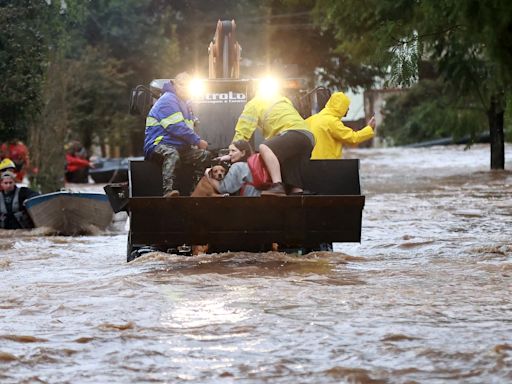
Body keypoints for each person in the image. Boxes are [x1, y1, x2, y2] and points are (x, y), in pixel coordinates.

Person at [232, 93, 315, 196]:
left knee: (264, 147)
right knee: (289, 165)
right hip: (308, 137)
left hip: (293, 132)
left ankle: (277, 186)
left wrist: (233, 150)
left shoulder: (253, 104)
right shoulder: (283, 99)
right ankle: (297, 193)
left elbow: (243, 130)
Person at [144, 72, 210, 197]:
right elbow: (176, 127)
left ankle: (196, 191)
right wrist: (197, 141)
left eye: (188, 86)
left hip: (180, 148)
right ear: (174, 84)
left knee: (204, 155)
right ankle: (168, 190)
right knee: (172, 154)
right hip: (158, 144)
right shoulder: (168, 100)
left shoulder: (185, 104)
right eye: (182, 85)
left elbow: (188, 126)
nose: (185, 88)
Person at [306, 92, 376, 159]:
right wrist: (369, 128)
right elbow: (353, 138)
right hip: (326, 166)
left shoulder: (310, 119)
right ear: (340, 107)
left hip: (309, 165)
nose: (348, 109)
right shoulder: (332, 122)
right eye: (346, 106)